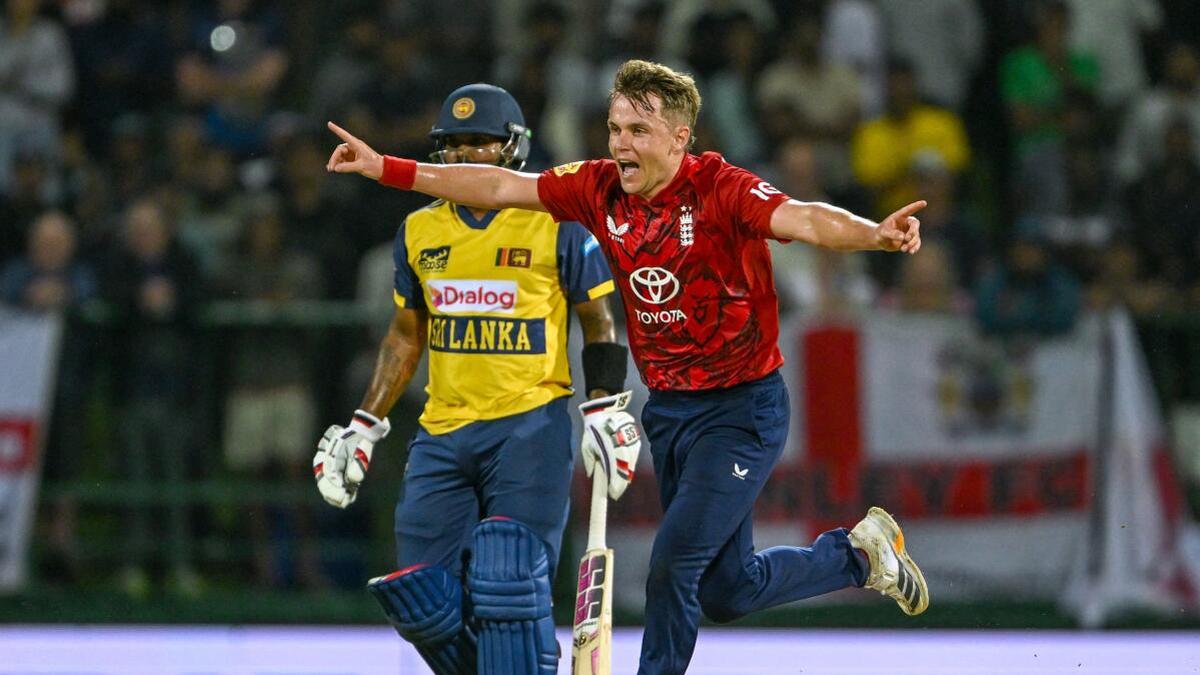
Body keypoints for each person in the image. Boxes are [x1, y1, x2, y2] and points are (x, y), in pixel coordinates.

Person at [325, 60, 928, 675]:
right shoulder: (596, 187)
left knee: (673, 564)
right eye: (615, 129)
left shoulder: (721, 188)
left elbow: (804, 217)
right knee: (726, 590)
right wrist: (384, 168)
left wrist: (873, 234)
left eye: (639, 130)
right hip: (669, 411)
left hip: (741, 410)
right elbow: (499, 187)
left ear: (679, 138)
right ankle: (859, 557)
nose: (620, 144)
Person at [313, 83, 637, 675]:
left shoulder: (558, 221)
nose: (465, 155)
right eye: (454, 144)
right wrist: (364, 423)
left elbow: (599, 321)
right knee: (419, 597)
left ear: (513, 147)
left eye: (480, 142)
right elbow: (405, 335)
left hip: (528, 429)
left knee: (508, 576)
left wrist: (604, 407)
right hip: (442, 431)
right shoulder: (418, 230)